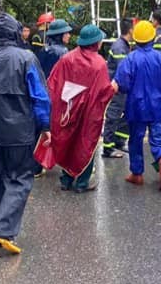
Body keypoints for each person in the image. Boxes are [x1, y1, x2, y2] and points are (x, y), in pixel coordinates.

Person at [0, 13, 51, 255]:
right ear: (16, 33)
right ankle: (4, 229)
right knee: (19, 178)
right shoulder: (26, 58)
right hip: (20, 130)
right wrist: (46, 126)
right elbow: (39, 96)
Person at [113, 20, 161, 191]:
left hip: (136, 107)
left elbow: (122, 84)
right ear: (153, 38)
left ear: (135, 40)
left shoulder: (130, 59)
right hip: (159, 106)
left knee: (135, 140)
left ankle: (137, 174)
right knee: (159, 139)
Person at [46, 24, 115, 193]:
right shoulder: (99, 63)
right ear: (96, 42)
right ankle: (82, 182)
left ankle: (66, 179)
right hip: (87, 112)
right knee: (85, 143)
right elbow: (103, 91)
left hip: (67, 109)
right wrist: (114, 88)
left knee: (67, 141)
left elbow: (53, 83)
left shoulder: (67, 58)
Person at [102, 18, 133, 158]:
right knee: (113, 116)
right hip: (118, 87)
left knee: (129, 114)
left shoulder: (126, 45)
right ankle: (108, 148)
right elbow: (123, 70)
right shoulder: (120, 47)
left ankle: (118, 141)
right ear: (131, 30)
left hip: (124, 88)